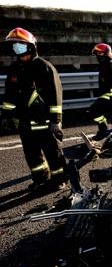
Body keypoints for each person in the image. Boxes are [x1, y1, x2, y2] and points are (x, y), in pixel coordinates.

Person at [1, 27, 68, 193]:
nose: (17, 49)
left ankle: (59, 180)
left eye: (21, 45)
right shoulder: (15, 69)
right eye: (14, 46)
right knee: (32, 156)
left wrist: (56, 121)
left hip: (45, 123)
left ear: (31, 46)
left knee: (54, 155)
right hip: (25, 124)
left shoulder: (44, 67)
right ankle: (41, 179)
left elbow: (55, 95)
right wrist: (6, 115)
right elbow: (9, 95)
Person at [89, 43, 112, 140]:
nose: (97, 56)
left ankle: (105, 131)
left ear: (106, 53)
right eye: (96, 54)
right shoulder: (107, 64)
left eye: (99, 53)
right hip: (109, 97)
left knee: (94, 110)